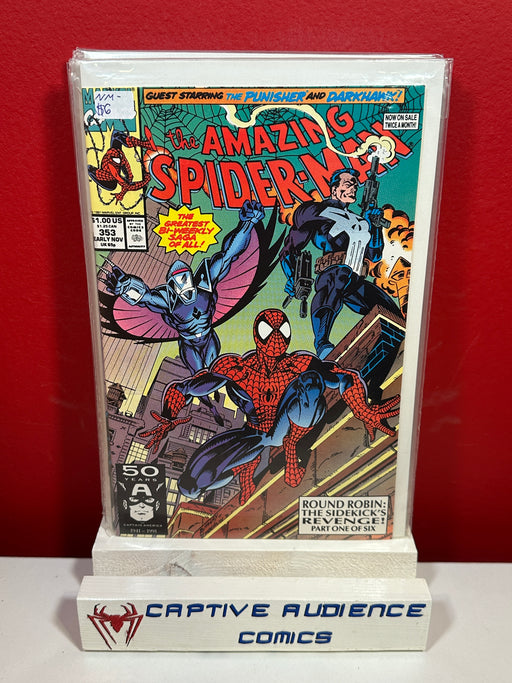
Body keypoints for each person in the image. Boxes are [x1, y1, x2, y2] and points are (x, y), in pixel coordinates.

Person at [140, 309, 400, 504]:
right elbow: (183, 387)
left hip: (290, 422)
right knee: (190, 484)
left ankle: (292, 444)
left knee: (310, 381)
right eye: (269, 331)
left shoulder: (299, 363)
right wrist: (168, 416)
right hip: (254, 434)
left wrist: (363, 410)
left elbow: (344, 377)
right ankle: (245, 465)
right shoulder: (236, 367)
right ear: (257, 334)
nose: (276, 338)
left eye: (282, 331)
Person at [280, 168, 402, 359]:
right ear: (334, 189)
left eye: (355, 185)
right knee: (339, 276)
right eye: (348, 184)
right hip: (333, 274)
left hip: (355, 279)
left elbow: (374, 254)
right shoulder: (317, 211)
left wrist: (375, 226)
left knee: (389, 311)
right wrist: (292, 276)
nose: (353, 188)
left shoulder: (361, 221)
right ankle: (322, 344)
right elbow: (289, 249)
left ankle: (393, 345)